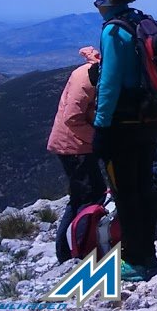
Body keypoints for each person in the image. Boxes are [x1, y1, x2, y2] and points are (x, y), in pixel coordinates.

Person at [89, 0, 157, 282]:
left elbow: (109, 83)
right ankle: (149, 254)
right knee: (143, 186)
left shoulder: (113, 30)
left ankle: (134, 261)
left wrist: (100, 127)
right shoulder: (139, 21)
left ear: (103, 2)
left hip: (122, 126)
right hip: (149, 121)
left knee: (125, 193)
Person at [47, 46, 107, 263]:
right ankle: (77, 250)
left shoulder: (93, 73)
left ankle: (66, 250)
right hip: (73, 146)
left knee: (81, 195)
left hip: (76, 144)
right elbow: (72, 118)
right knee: (91, 194)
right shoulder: (86, 78)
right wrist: (97, 139)